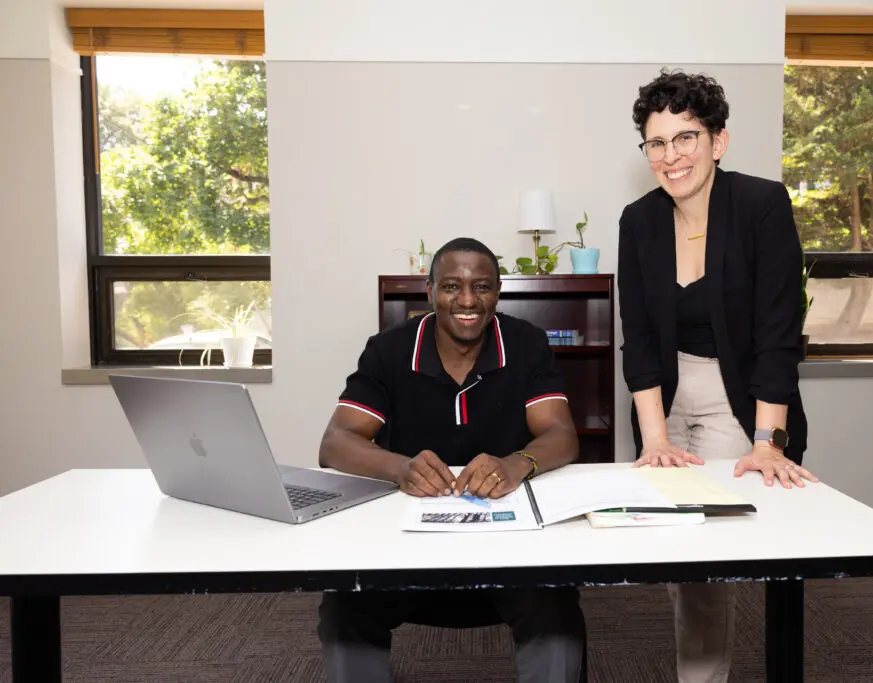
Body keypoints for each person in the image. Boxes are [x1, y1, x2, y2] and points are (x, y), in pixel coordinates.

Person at [617, 69, 819, 683]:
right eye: (657, 142)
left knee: (705, 556)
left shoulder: (760, 205)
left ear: (718, 141)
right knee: (679, 556)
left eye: (686, 137)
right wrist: (653, 439)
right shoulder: (638, 220)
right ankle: (700, 657)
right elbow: (641, 341)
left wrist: (768, 442)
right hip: (663, 399)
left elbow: (778, 335)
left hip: (741, 399)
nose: (671, 155)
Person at [316, 237, 587, 683]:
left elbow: (560, 434)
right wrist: (399, 467)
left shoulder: (526, 343)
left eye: (481, 287)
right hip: (404, 548)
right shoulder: (389, 349)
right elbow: (335, 442)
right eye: (451, 287)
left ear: (497, 293)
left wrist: (516, 463)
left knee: (557, 609)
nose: (466, 300)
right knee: (344, 607)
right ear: (430, 291)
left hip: (509, 547)